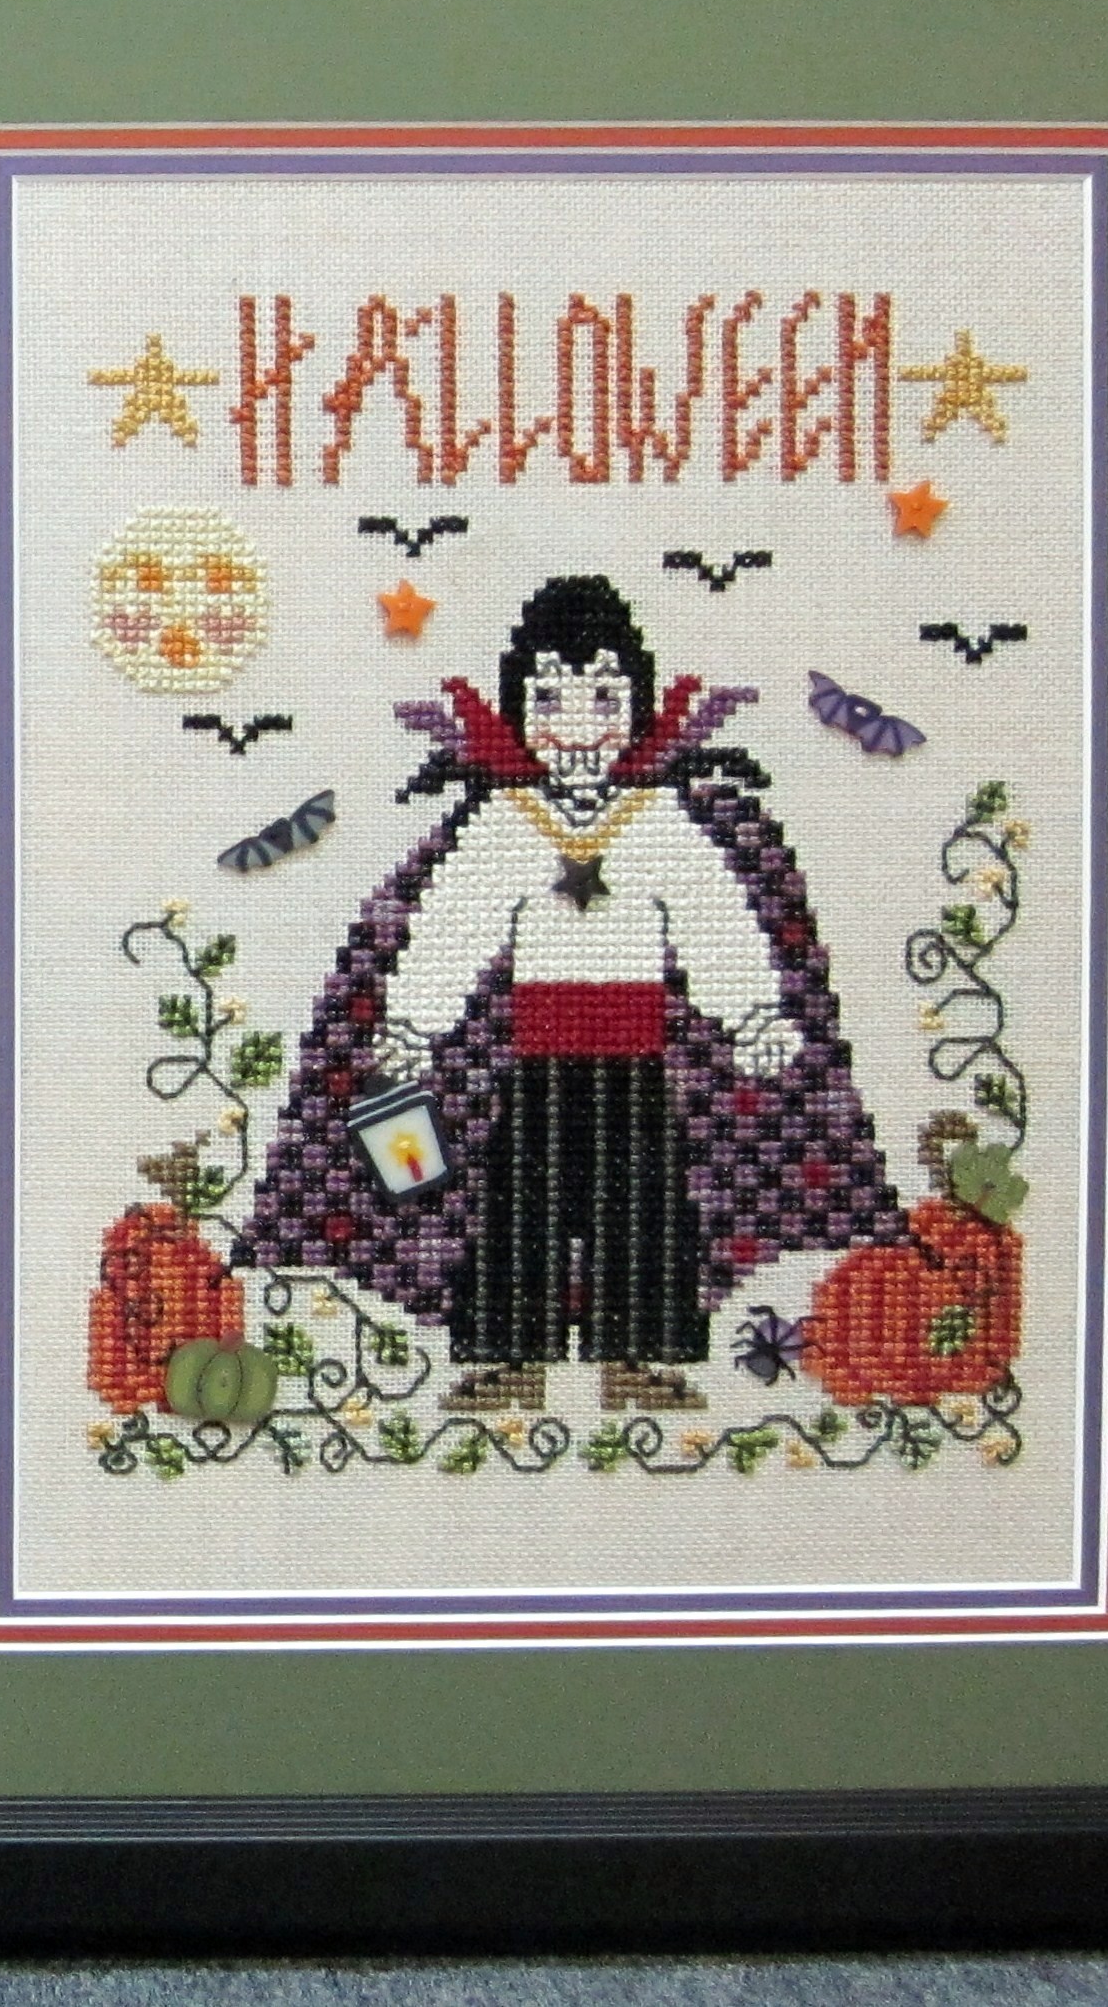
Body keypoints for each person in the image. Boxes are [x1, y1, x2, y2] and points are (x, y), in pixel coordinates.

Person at [230, 574, 903, 1413]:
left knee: (645, 1204)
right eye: (550, 700)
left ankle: (639, 1353)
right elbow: (455, 924)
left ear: (640, 710)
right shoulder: (510, 823)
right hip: (537, 1060)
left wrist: (752, 1013)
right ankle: (511, 1353)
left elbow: (712, 917)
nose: (579, 727)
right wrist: (413, 1024)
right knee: (522, 1204)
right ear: (516, 712)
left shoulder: (654, 821)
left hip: (637, 1060)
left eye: (605, 700)